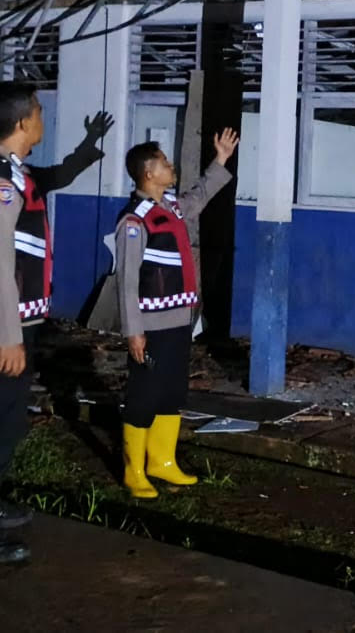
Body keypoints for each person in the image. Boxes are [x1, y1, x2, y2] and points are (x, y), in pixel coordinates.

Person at [0, 83, 111, 562]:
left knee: (3, 415)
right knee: (0, 417)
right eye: (38, 112)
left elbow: (54, 176)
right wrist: (8, 337)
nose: (42, 118)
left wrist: (88, 148)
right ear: (22, 123)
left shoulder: (13, 174)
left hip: (11, 321)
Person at [114, 128, 238, 498]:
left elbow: (199, 196)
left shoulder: (169, 207)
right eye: (165, 163)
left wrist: (220, 161)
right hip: (150, 326)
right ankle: (134, 469)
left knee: (171, 391)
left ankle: (162, 462)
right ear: (148, 173)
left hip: (179, 319)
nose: (171, 167)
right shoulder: (135, 220)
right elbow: (127, 282)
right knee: (143, 394)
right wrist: (133, 331)